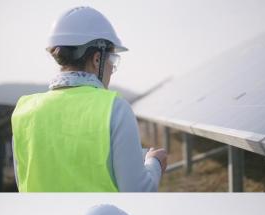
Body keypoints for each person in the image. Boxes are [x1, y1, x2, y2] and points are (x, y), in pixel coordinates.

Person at [11, 6, 168, 192]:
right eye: (112, 61)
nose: (112, 69)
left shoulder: (24, 111)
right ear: (96, 59)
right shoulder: (115, 109)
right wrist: (154, 163)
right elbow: (139, 191)